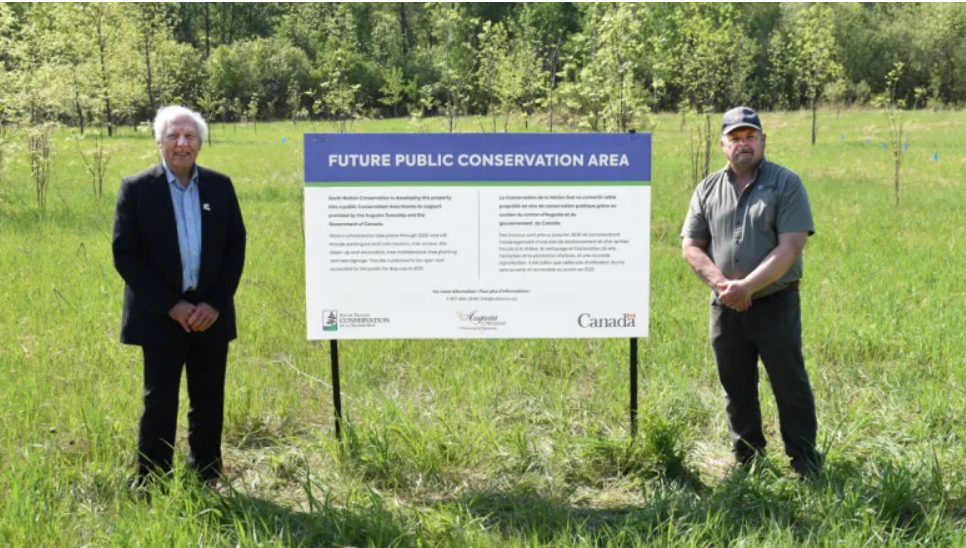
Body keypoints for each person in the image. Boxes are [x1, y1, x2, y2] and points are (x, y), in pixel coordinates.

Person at [680, 106, 822, 477]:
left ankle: (805, 462)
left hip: (775, 303)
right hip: (725, 306)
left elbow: (790, 246)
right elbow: (692, 246)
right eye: (735, 138)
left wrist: (747, 286)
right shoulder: (707, 188)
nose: (743, 144)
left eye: (750, 137)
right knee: (736, 387)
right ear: (723, 145)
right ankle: (749, 461)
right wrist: (724, 287)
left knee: (789, 384)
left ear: (762, 140)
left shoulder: (785, 183)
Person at [113, 105, 246, 486]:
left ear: (200, 144)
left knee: (209, 399)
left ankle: (206, 474)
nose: (182, 143)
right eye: (173, 136)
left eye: (189, 136)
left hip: (210, 315)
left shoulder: (220, 186)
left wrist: (214, 304)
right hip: (160, 315)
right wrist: (172, 305)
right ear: (159, 142)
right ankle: (152, 481)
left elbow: (236, 247)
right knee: (160, 400)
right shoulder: (136, 189)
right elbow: (125, 255)